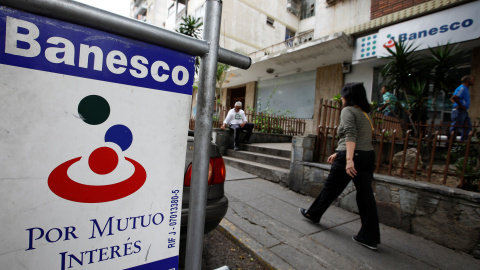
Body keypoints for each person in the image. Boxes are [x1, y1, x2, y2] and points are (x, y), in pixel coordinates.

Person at [299, 82, 380, 250]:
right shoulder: (365, 114)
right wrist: (339, 152)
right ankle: (369, 237)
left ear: (348, 96)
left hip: (352, 157)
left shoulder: (348, 111)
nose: (341, 98)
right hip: (367, 156)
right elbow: (361, 138)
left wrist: (348, 159)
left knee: (331, 188)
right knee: (366, 197)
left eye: (343, 94)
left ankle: (313, 214)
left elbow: (350, 134)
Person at [450, 75, 475, 141]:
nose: (473, 81)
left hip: (463, 111)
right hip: (459, 110)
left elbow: (452, 99)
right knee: (455, 127)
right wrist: (460, 105)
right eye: (472, 80)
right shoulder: (462, 88)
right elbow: (454, 97)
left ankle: (463, 142)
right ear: (468, 81)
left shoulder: (466, 88)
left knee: (467, 126)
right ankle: (451, 143)